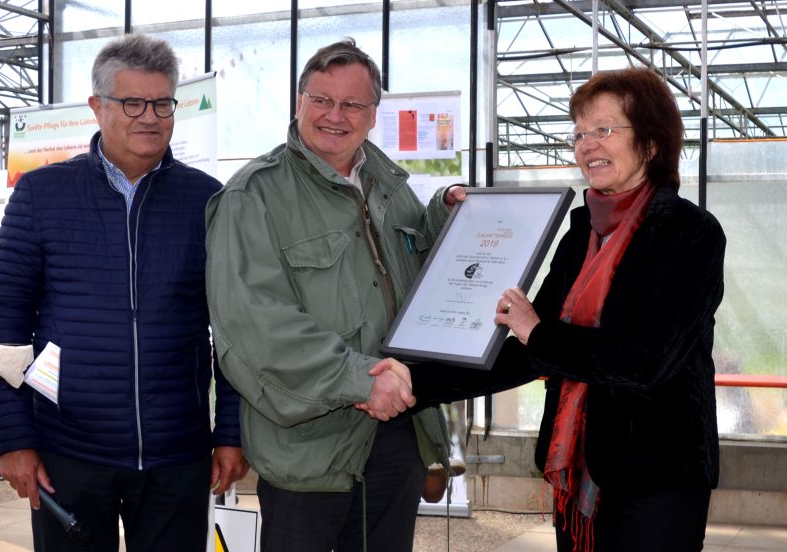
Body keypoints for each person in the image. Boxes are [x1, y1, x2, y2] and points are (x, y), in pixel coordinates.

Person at [204, 39, 465, 552]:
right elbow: (254, 326)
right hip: (310, 447)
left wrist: (448, 216)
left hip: (398, 434)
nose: (335, 116)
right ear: (299, 101)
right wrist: (357, 381)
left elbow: (412, 266)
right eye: (321, 99)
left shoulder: (387, 184)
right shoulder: (252, 195)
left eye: (352, 104)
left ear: (373, 114)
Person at [0, 34, 248, 552]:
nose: (149, 117)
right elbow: (5, 324)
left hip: (177, 453)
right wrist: (13, 439)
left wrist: (231, 432)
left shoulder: (207, 201)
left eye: (162, 103)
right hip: (68, 449)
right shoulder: (42, 195)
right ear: (97, 107)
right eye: (132, 103)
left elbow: (235, 329)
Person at [491, 67, 726, 551]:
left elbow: (645, 359)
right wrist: (418, 380)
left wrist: (537, 333)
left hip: (656, 481)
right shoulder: (582, 231)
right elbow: (533, 346)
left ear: (652, 142)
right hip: (579, 471)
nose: (587, 144)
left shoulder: (690, 232)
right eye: (579, 133)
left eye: (604, 129)